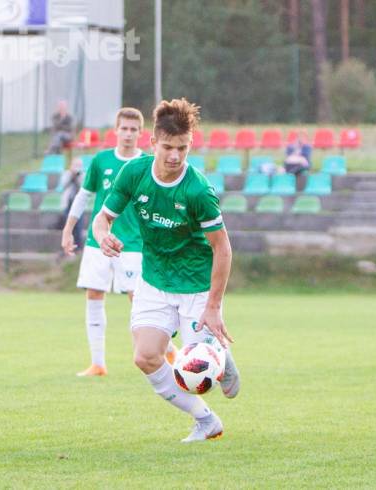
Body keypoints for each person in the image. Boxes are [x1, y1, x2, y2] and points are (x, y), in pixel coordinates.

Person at [92, 98, 241, 443]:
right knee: (145, 357)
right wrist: (102, 236)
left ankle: (219, 354)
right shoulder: (135, 173)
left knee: (197, 368)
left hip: (195, 286)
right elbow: (103, 219)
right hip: (154, 281)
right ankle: (205, 420)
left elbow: (222, 248)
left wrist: (213, 306)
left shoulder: (198, 190)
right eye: (168, 147)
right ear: (153, 142)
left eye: (183, 148)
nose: (175, 156)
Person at [61, 107, 175, 377]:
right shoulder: (101, 160)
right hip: (98, 241)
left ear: (141, 133)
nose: (128, 134)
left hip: (133, 243)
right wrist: (68, 229)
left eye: (133, 129)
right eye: (124, 128)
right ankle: (98, 363)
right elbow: (83, 196)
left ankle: (168, 350)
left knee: (139, 300)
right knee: (93, 294)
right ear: (116, 130)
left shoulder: (147, 163)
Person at [59, 157, 84, 253]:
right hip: (68, 203)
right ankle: (68, 247)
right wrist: (72, 176)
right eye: (75, 165)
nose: (77, 167)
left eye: (79, 165)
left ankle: (79, 247)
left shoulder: (83, 175)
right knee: (68, 226)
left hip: (78, 205)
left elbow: (83, 188)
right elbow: (63, 185)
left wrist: (77, 177)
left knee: (79, 226)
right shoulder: (66, 174)